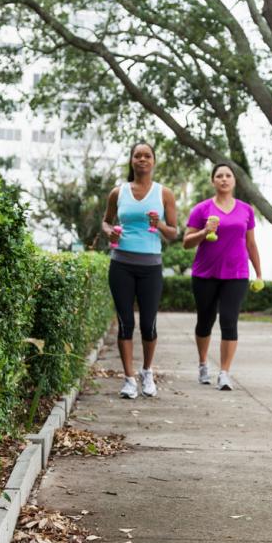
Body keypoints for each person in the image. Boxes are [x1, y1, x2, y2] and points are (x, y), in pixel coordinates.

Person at [102, 141, 178, 399]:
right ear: (132, 161)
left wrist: (159, 225)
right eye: (138, 155)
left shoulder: (164, 193)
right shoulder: (118, 192)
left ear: (153, 161)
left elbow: (173, 233)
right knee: (125, 323)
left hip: (150, 267)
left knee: (148, 324)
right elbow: (105, 222)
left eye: (147, 155)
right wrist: (109, 231)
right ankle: (129, 379)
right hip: (121, 265)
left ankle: (147, 371)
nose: (142, 159)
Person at [183, 163, 263, 391]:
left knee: (229, 321)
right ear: (213, 181)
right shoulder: (201, 209)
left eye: (228, 175)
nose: (224, 179)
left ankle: (225, 373)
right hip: (205, 274)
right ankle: (202, 364)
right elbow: (187, 242)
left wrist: (258, 272)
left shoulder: (246, 210)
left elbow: (250, 243)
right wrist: (203, 231)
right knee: (205, 321)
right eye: (219, 176)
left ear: (234, 181)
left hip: (236, 274)